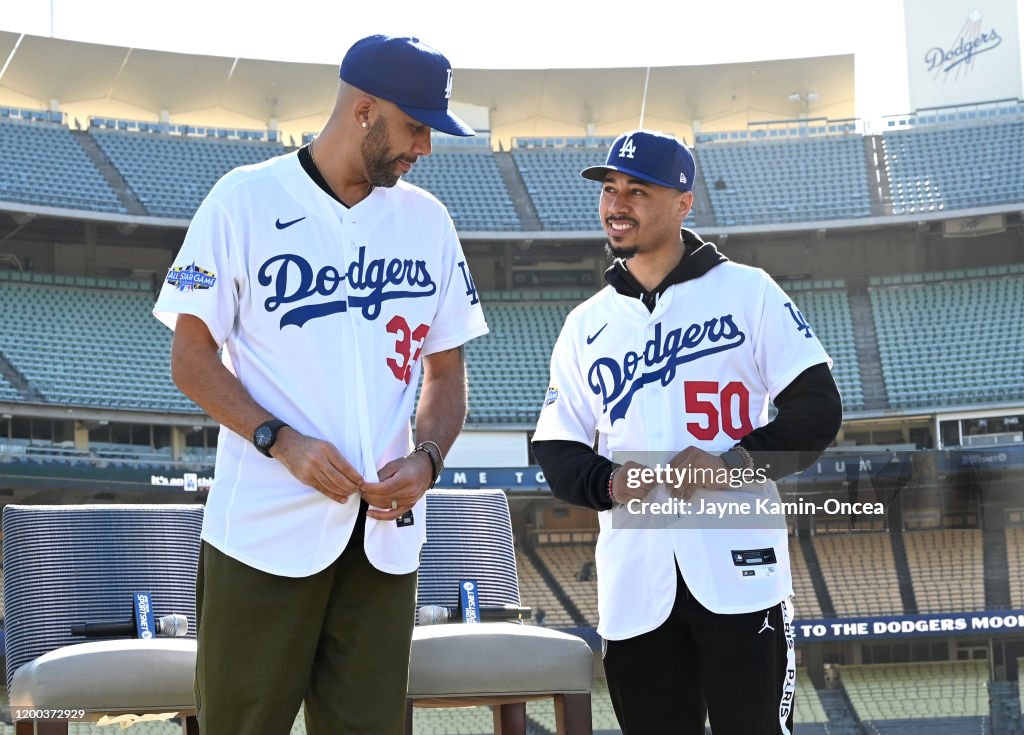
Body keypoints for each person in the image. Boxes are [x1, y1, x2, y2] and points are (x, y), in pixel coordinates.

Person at [154, 35, 488, 735]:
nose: (424, 146)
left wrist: (428, 458)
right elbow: (190, 357)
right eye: (415, 127)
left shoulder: (429, 221)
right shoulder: (242, 199)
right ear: (363, 110)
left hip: (384, 542)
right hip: (263, 534)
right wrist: (281, 441)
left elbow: (447, 374)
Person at [532, 129, 842, 735]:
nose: (616, 204)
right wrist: (608, 480)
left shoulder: (748, 291)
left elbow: (817, 412)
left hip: (741, 573)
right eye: (610, 189)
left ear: (683, 203)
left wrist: (731, 463)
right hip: (634, 580)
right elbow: (555, 444)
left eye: (637, 191)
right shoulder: (585, 323)